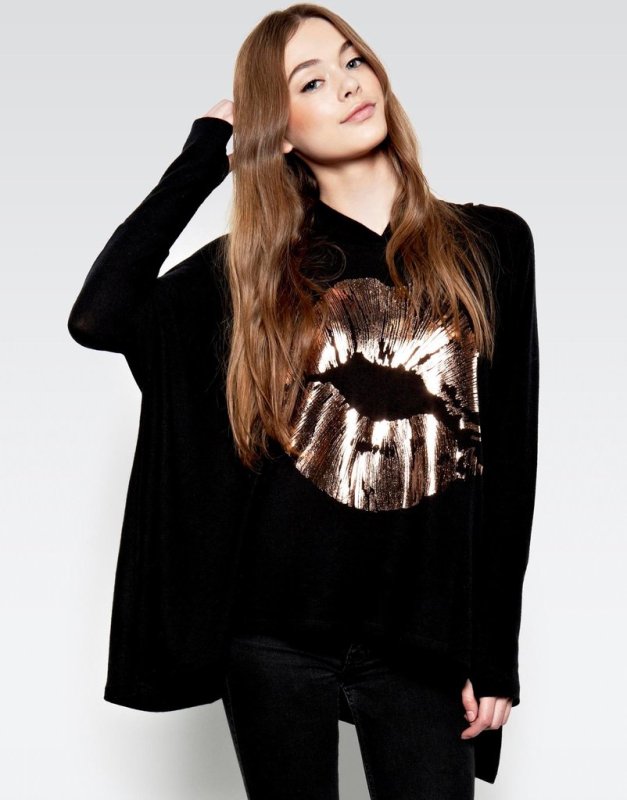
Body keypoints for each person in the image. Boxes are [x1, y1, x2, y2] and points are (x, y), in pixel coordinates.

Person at [67, 4, 540, 798]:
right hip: (272, 638)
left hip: (419, 635)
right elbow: (100, 315)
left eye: (353, 61)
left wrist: (493, 655)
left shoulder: (487, 244)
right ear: (278, 129)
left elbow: (510, 454)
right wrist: (204, 152)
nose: (347, 85)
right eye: (310, 82)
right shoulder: (252, 272)